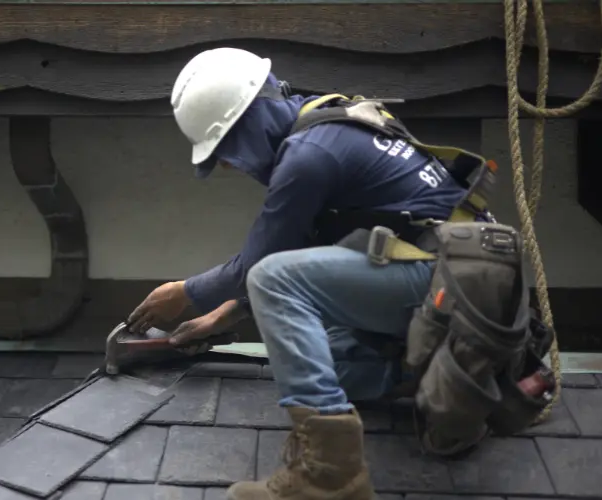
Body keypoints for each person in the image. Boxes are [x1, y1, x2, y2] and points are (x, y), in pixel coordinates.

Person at [126, 47, 469, 500]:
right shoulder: (326, 129)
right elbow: (301, 250)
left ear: (248, 122)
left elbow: (260, 266)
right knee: (313, 359)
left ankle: (331, 477)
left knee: (271, 279)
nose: (229, 167)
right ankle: (445, 377)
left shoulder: (309, 154)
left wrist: (186, 293)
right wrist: (220, 319)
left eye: (226, 151)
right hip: (454, 287)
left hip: (448, 282)